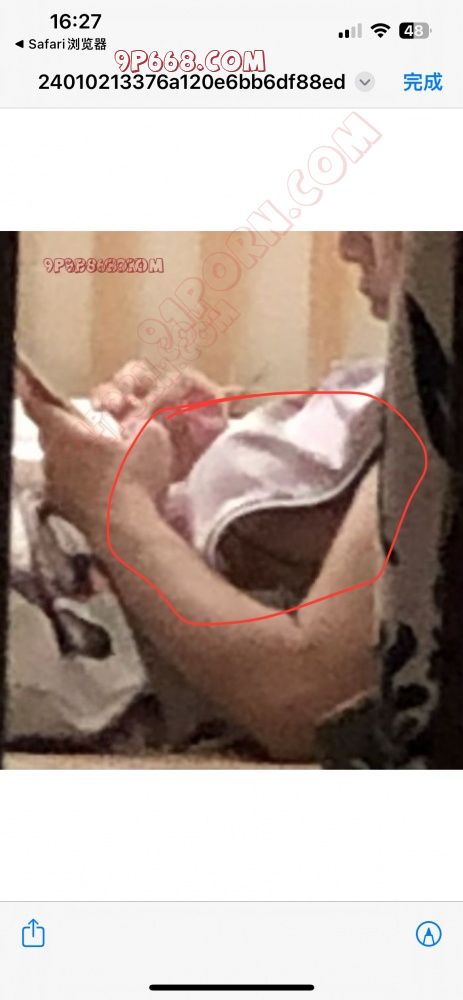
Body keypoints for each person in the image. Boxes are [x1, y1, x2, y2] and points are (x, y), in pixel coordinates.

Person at [19, 232, 403, 761]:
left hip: (82, 625)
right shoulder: (411, 377)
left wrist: (116, 508)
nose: (350, 243)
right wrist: (211, 476)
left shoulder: (436, 418)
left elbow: (309, 702)